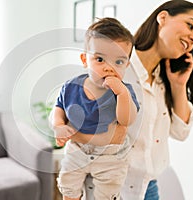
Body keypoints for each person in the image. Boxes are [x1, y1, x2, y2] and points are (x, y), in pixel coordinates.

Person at [117, 1, 193, 199]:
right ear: (163, 17)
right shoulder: (118, 67)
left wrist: (179, 86)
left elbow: (180, 131)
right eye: (190, 26)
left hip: (148, 188)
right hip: (113, 187)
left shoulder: (163, 80)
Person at [49, 17, 140, 200]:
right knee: (67, 182)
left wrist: (121, 93)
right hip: (78, 149)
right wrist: (58, 124)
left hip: (110, 156)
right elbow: (58, 107)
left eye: (119, 62)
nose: (109, 68)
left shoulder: (124, 92)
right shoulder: (72, 86)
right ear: (85, 60)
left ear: (127, 65)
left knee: (109, 187)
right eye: (100, 59)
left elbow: (127, 120)